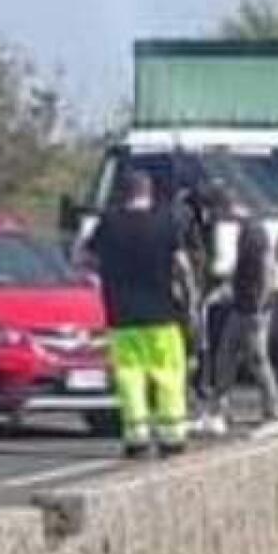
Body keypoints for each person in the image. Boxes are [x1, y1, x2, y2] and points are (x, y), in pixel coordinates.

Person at [86, 168, 195, 458]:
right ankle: (172, 436)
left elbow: (84, 258)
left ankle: (137, 437)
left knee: (129, 376)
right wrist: (190, 301)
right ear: (150, 192)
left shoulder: (109, 223)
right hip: (162, 314)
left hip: (121, 316)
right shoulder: (166, 222)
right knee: (168, 374)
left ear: (123, 193)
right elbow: (182, 267)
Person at [210, 215, 278, 438]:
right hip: (241, 307)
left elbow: (266, 276)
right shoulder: (248, 242)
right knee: (226, 356)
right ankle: (219, 410)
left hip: (253, 311)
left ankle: (274, 414)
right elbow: (240, 273)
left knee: (258, 360)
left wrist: (259, 307)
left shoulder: (258, 244)